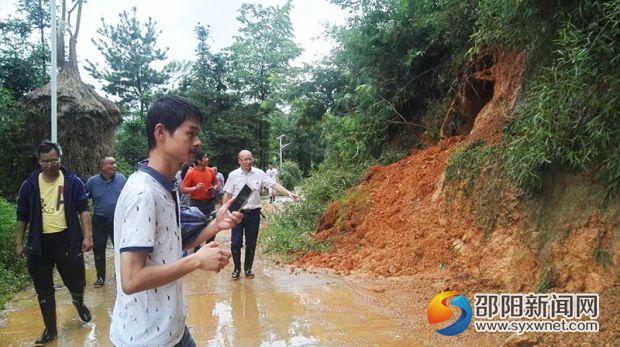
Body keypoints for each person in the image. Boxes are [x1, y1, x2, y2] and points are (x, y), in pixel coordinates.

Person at [110, 96, 243, 346]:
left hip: (172, 328)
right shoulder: (144, 193)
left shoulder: (166, 186)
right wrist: (196, 260)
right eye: (190, 134)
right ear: (161, 132)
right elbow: (131, 279)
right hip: (146, 338)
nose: (197, 142)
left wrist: (215, 225)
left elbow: (169, 242)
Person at [15, 140, 94, 346]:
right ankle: (50, 330)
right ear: (39, 162)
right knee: (43, 289)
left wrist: (87, 236)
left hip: (67, 240)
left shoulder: (73, 182)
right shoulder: (30, 185)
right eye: (45, 161)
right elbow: (21, 215)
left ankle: (78, 302)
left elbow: (83, 210)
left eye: (54, 160)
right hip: (39, 244)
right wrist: (19, 242)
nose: (50, 164)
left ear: (60, 159)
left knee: (76, 281)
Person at [223, 150, 299, 280]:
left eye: (250, 159)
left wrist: (288, 193)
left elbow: (273, 184)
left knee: (251, 243)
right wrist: (225, 213)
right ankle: (236, 269)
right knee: (235, 243)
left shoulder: (259, 173)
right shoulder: (233, 175)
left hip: (254, 214)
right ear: (239, 161)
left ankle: (248, 269)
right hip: (237, 214)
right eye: (245, 159)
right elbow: (227, 195)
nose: (248, 161)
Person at [85, 156, 127, 288]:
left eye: (115, 162)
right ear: (102, 167)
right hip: (99, 221)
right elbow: (84, 199)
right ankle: (101, 278)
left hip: (118, 220)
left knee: (121, 249)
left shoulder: (122, 179)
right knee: (99, 249)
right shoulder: (92, 182)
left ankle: (121, 276)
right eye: (111, 163)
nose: (115, 165)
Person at [182, 151, 219, 216]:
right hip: (196, 204)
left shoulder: (210, 170)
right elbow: (183, 189)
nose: (207, 159)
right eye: (205, 157)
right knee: (198, 224)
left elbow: (216, 183)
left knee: (211, 223)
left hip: (210, 203)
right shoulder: (190, 173)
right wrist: (195, 188)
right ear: (199, 161)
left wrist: (214, 188)